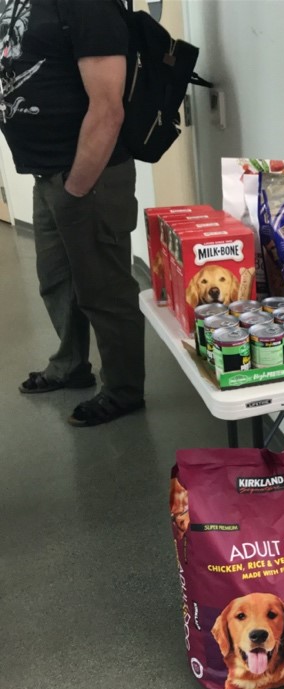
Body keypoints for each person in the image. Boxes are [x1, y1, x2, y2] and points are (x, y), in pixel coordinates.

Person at [2, 0, 143, 426]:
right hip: (46, 174)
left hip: (88, 175)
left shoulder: (87, 4)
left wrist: (77, 188)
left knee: (104, 290)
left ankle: (123, 391)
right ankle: (70, 365)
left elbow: (108, 108)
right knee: (56, 281)